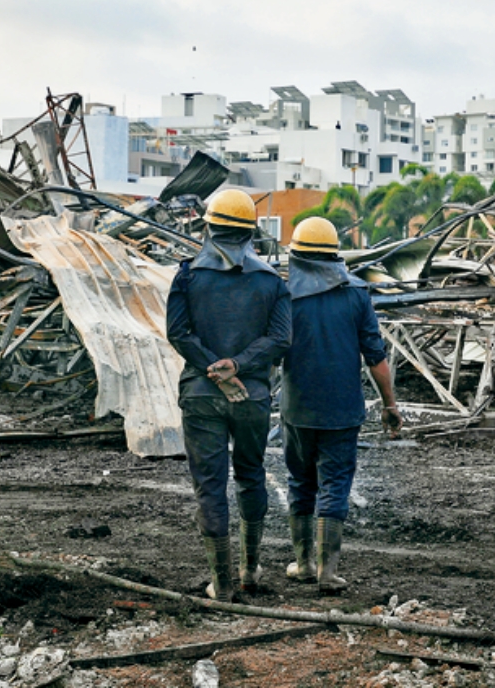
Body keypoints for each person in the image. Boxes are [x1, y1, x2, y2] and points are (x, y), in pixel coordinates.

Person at [166, 188, 291, 602]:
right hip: (251, 397)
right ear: (251, 232)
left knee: (210, 487)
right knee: (251, 476)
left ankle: (221, 584)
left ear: (208, 226)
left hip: (200, 395)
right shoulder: (272, 281)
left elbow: (178, 334)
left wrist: (214, 369)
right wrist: (237, 366)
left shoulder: (187, 275)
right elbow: (280, 338)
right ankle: (250, 571)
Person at [280, 216, 401, 593]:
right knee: (334, 485)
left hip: (297, 408)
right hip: (342, 410)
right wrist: (389, 404)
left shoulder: (284, 295)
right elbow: (375, 357)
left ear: (296, 255)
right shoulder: (357, 294)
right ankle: (327, 573)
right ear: (335, 255)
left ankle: (303, 564)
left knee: (301, 483)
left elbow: (270, 352)